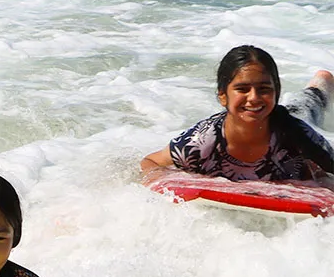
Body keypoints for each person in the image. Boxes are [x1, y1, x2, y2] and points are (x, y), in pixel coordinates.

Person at [140, 45, 334, 184]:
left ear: (276, 91)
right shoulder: (203, 140)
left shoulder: (299, 135)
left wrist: (320, 180)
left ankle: (322, 83)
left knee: (308, 105)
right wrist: (167, 182)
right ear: (223, 96)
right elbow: (151, 162)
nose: (254, 97)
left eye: (264, 89)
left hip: (291, 119)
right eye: (242, 89)